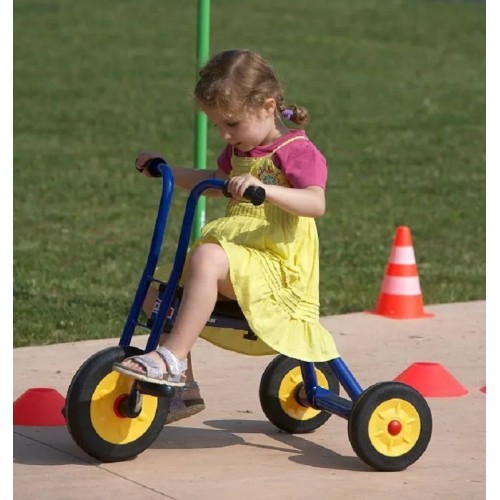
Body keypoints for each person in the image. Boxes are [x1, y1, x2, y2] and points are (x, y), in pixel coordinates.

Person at [113, 49, 339, 404]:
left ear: (267, 106)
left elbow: (316, 203)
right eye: (217, 124)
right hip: (241, 258)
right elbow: (214, 180)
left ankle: (171, 358)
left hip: (279, 269)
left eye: (231, 124)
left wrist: (266, 189)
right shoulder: (240, 150)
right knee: (155, 295)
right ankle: (181, 388)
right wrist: (168, 170)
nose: (223, 134)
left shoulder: (296, 150)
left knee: (206, 259)